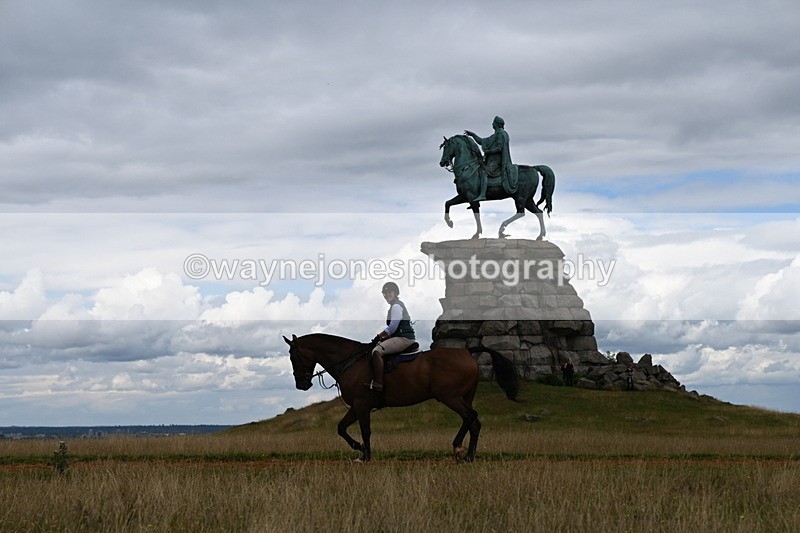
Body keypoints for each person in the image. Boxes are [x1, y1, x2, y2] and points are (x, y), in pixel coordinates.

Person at [365, 282, 416, 392]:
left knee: (376, 351)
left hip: (404, 338)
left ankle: (378, 382)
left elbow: (393, 327)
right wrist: (384, 338)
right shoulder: (395, 306)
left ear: (395, 293)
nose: (388, 295)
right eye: (385, 293)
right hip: (401, 336)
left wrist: (378, 337)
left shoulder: (396, 306)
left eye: (390, 292)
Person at [464, 116, 516, 201]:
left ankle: (482, 195)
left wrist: (488, 152)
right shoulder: (496, 135)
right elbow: (482, 141)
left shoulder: (501, 134)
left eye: (493, 122)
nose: (492, 124)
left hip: (497, 161)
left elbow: (499, 148)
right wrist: (473, 135)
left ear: (497, 124)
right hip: (492, 160)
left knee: (484, 172)